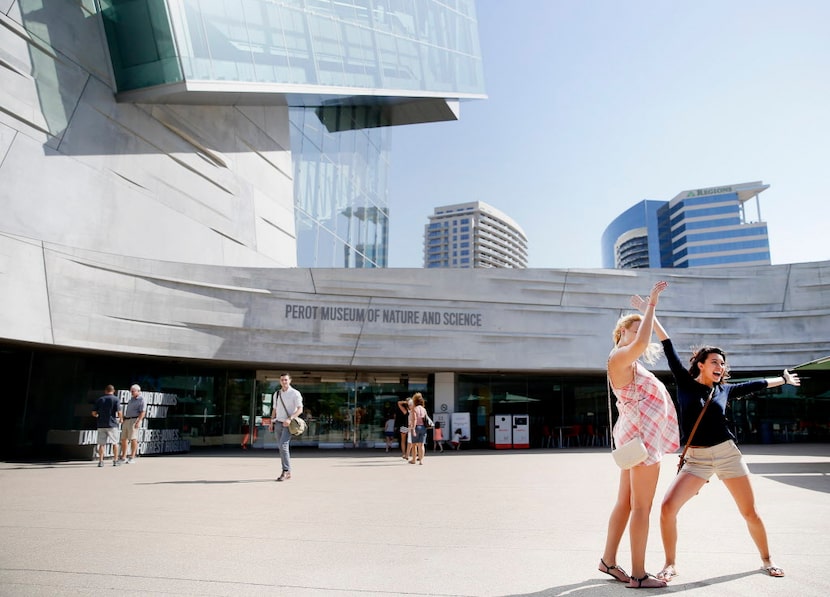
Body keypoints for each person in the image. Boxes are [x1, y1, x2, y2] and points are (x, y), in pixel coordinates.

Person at [631, 297, 799, 581]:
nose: (720, 366)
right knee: (667, 508)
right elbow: (668, 344)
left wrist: (782, 379)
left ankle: (767, 559)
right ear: (700, 364)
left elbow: (756, 384)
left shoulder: (725, 390)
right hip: (695, 458)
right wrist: (649, 310)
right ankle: (670, 564)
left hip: (726, 454)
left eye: (722, 363)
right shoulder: (685, 383)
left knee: (750, 512)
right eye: (714, 362)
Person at [599, 280, 679, 589]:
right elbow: (643, 343)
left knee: (626, 503)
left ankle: (608, 560)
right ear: (621, 335)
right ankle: (639, 574)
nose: (638, 334)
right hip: (641, 444)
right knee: (642, 508)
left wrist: (646, 313)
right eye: (633, 330)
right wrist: (651, 307)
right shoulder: (618, 357)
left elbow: (648, 341)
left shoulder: (626, 361)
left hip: (637, 441)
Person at [271, 373, 303, 482]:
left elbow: (300, 409)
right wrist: (271, 422)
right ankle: (288, 471)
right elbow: (275, 409)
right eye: (282, 380)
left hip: (288, 424)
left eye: (285, 380)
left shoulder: (295, 393)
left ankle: (285, 471)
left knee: (283, 445)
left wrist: (290, 418)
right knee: (281, 447)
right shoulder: (277, 394)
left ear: (290, 380)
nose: (284, 382)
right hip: (278, 423)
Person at [92, 385, 123, 467]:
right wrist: (121, 419)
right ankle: (115, 460)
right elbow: (119, 411)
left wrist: (98, 416)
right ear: (113, 391)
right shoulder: (116, 399)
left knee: (102, 444)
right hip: (112, 424)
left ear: (105, 391)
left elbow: (94, 413)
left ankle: (101, 461)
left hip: (101, 424)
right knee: (115, 443)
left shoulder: (100, 399)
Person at [119, 384, 146, 464]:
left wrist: (139, 421)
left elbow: (143, 412)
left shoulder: (141, 399)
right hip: (127, 419)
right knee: (123, 438)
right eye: (131, 391)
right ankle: (123, 457)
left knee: (133, 438)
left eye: (133, 391)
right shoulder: (131, 399)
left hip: (134, 420)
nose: (132, 392)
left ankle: (132, 456)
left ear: (138, 391)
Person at [408, 392, 428, 464]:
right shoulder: (423, 409)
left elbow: (415, 419)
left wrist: (413, 429)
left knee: (414, 445)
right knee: (421, 445)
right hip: (423, 428)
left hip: (416, 427)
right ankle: (421, 461)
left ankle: (413, 460)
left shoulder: (414, 409)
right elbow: (425, 419)